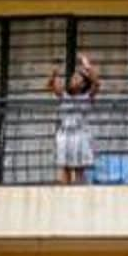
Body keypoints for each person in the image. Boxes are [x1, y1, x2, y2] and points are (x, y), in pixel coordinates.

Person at [48, 54, 100, 184]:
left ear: (83, 85)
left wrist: (87, 66)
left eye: (77, 78)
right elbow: (50, 85)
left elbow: (97, 84)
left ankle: (79, 196)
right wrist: (54, 72)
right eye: (72, 78)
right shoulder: (65, 95)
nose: (72, 80)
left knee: (79, 169)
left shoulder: (87, 97)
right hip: (65, 134)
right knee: (64, 167)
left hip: (80, 134)